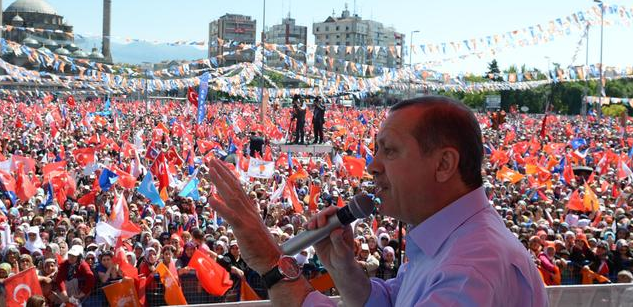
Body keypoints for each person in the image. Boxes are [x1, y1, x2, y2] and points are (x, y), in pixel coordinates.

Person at [208, 96, 548, 306]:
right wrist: (343, 268)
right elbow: (394, 300)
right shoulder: (449, 244)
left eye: (390, 151)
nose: (373, 166)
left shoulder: (470, 269)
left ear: (444, 164)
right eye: (375, 150)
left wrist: (273, 264)